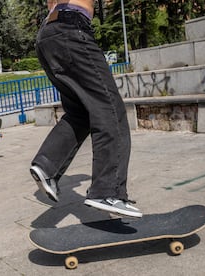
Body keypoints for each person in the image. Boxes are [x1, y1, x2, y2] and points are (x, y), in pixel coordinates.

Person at [30, 0, 142, 218]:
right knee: (110, 108)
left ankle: (47, 164)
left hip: (50, 34)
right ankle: (108, 191)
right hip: (71, 29)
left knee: (80, 112)